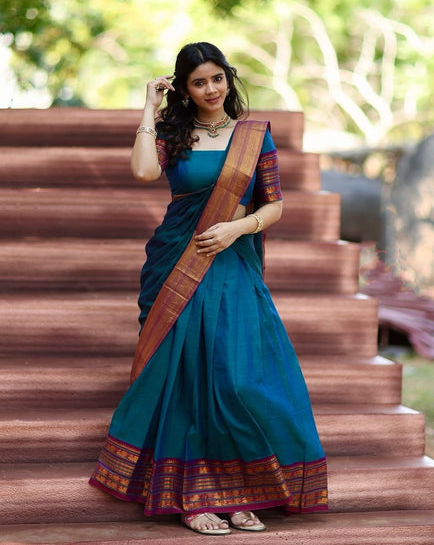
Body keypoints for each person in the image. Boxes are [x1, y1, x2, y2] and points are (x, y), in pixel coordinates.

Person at [89, 41, 328, 536]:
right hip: (178, 260)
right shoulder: (172, 132)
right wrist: (148, 108)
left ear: (228, 78)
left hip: (231, 262)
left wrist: (236, 229)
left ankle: (241, 491)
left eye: (217, 78)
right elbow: (143, 171)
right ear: (185, 88)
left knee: (237, 378)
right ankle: (195, 499)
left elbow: (274, 205)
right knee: (187, 376)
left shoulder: (253, 136)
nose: (211, 89)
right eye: (199, 82)